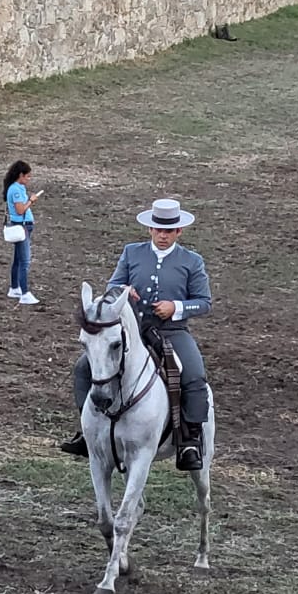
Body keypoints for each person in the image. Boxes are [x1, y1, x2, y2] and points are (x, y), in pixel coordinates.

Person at [61, 197, 212, 471]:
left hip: (172, 331)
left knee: (193, 374)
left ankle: (189, 440)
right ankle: (88, 432)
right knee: (84, 368)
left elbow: (204, 302)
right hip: (133, 331)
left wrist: (175, 307)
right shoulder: (132, 252)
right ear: (150, 230)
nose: (162, 236)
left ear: (179, 232)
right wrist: (123, 291)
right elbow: (113, 284)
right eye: (158, 230)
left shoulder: (192, 262)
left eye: (168, 231)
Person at [3, 160, 39, 305]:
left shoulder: (18, 188)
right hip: (22, 226)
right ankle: (24, 293)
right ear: (21, 175)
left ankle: (14, 287)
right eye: (28, 176)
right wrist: (31, 201)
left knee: (18, 260)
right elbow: (20, 210)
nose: (29, 179)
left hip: (23, 226)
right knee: (24, 261)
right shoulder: (16, 190)